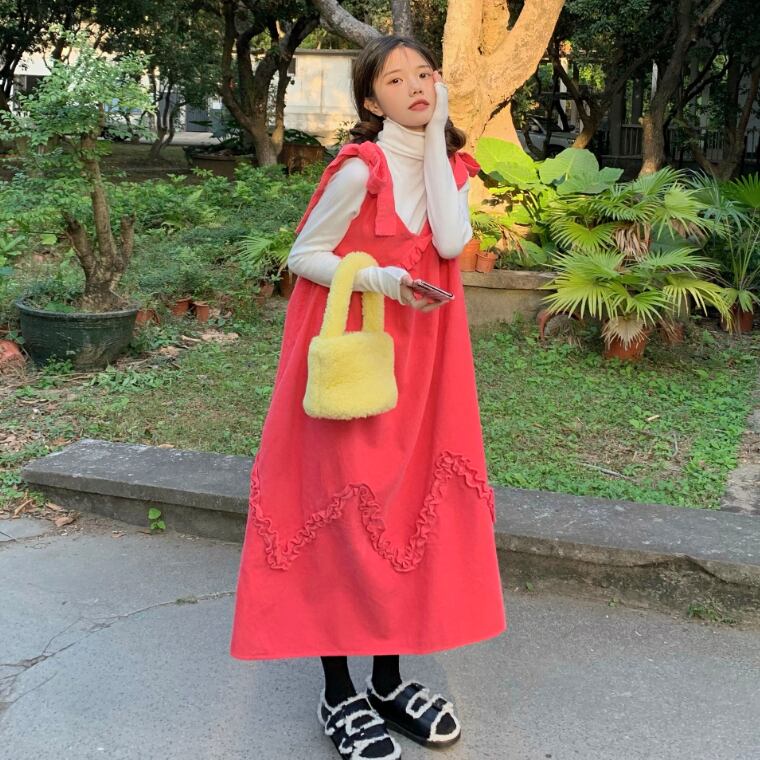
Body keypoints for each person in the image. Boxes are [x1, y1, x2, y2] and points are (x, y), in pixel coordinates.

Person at [229, 33, 508, 760]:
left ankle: (386, 681)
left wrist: (439, 137)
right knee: (343, 511)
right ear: (371, 100)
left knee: (404, 510)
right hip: (354, 360)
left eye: (425, 74)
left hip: (426, 369)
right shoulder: (360, 171)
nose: (415, 86)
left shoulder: (454, 169)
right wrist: (377, 278)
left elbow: (450, 240)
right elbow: (302, 256)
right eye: (395, 79)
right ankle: (338, 690)